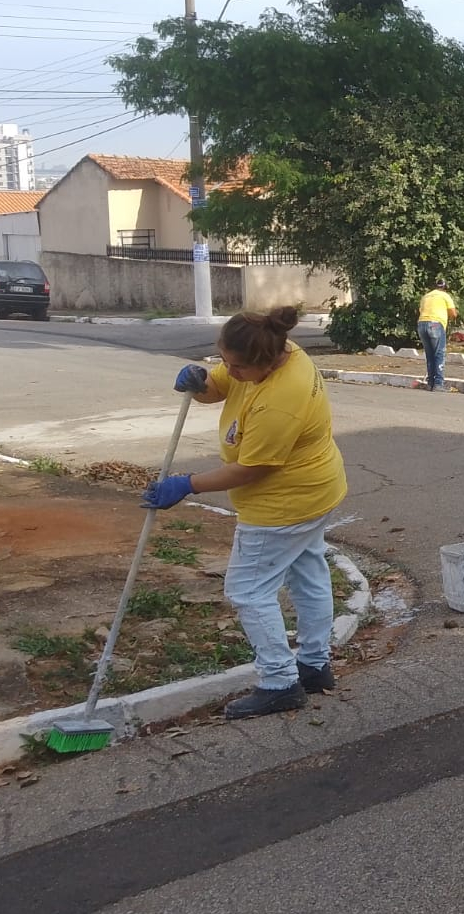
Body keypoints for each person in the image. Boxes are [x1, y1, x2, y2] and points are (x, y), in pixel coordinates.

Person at [142, 306, 348, 720]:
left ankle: (280, 683)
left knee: (249, 591)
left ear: (267, 362)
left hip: (284, 505)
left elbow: (252, 468)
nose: (228, 371)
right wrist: (199, 384)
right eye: (222, 360)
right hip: (316, 491)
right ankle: (314, 665)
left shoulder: (281, 399)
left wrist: (187, 484)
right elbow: (220, 386)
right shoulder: (268, 348)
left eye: (236, 366)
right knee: (308, 572)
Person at [417, 278, 458, 392]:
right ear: (445, 288)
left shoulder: (426, 296)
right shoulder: (445, 296)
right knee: (439, 354)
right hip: (435, 325)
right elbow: (453, 314)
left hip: (422, 324)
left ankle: (430, 383)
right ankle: (438, 384)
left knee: (430, 355)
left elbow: (421, 310)